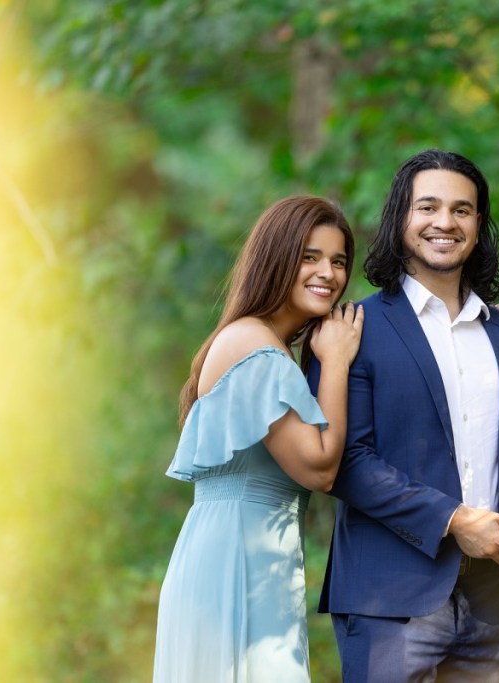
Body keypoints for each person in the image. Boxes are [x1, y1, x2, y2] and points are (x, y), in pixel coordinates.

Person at [310, 149, 499, 682]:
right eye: (428, 207)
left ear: (479, 226)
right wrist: (454, 520)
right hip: (389, 599)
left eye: (462, 210)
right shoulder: (352, 328)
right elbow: (345, 461)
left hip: (496, 603)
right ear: (401, 218)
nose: (445, 222)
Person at [153, 196, 364, 683]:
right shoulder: (252, 343)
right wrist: (336, 362)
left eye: (338, 261)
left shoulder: (269, 347)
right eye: (309, 257)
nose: (328, 273)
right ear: (276, 259)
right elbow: (320, 467)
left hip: (259, 562)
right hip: (233, 563)